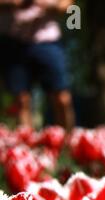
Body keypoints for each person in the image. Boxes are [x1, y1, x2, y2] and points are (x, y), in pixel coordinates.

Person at [0, 0, 75, 130]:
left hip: (47, 40)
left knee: (62, 98)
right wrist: (15, 3)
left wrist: (45, 4)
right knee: (21, 101)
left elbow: (68, 5)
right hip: (13, 40)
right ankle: (26, 145)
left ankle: (68, 144)